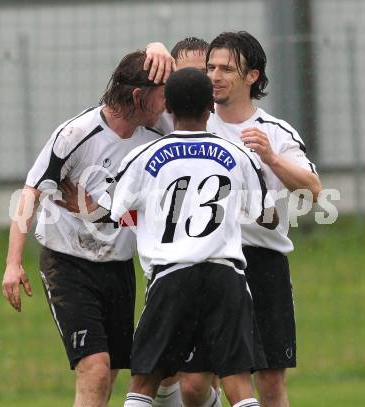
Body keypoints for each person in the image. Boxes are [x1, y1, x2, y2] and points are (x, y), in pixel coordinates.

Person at [97, 67, 276, 407]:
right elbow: (266, 216)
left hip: (172, 276)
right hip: (226, 276)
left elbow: (112, 209)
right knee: (238, 383)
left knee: (143, 382)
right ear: (211, 107)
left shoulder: (143, 157)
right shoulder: (237, 155)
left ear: (167, 108)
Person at [1, 50, 168, 407]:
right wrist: (13, 264)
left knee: (106, 376)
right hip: (68, 265)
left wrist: (96, 211)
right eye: (162, 92)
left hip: (119, 267)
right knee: (94, 367)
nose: (168, 101)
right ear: (138, 96)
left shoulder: (158, 134)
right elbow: (29, 192)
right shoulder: (77, 133)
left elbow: (154, 210)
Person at [201, 31, 322, 407]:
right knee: (198, 381)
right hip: (207, 262)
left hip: (263, 263)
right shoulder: (192, 125)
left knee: (269, 382)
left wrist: (271, 157)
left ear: (252, 76)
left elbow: (313, 190)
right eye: (210, 67)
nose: (215, 76)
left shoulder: (276, 132)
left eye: (226, 69)